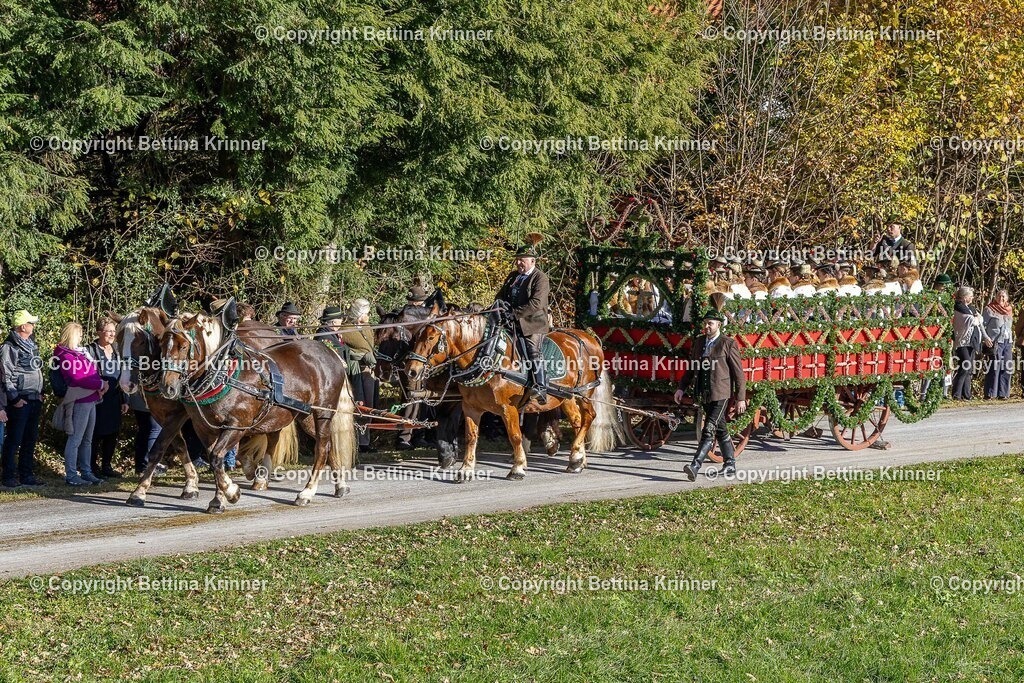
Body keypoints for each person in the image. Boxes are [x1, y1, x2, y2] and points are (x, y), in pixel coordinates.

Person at [674, 309, 746, 480]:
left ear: (719, 324)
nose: (706, 326)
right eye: (705, 323)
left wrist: (740, 398)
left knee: (709, 430)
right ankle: (730, 464)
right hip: (704, 393)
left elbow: (739, 374)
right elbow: (691, 368)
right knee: (721, 429)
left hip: (721, 393)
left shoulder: (727, 343)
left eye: (710, 323)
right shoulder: (699, 342)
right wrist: (681, 388)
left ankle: (695, 465)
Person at [496, 238, 551, 403]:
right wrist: (498, 307)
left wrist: (514, 313)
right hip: (510, 321)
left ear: (532, 261)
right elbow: (500, 295)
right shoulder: (513, 276)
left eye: (522, 259)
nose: (519, 263)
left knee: (533, 350)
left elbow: (536, 303)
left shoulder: (540, 278)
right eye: (517, 259)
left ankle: (540, 387)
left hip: (533, 323)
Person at [53, 323, 106, 485]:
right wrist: (100, 384)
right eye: (79, 334)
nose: (82, 337)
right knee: (75, 439)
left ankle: (86, 471)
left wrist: (100, 382)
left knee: (87, 440)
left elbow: (91, 372)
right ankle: (71, 475)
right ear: (72, 335)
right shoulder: (64, 354)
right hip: (79, 401)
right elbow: (77, 377)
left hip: (90, 399)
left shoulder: (80, 353)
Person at [1, 310, 45, 488]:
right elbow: (6, 376)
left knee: (30, 439)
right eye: (31, 323)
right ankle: (9, 476)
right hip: (20, 400)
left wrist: (40, 391)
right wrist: (14, 399)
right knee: (14, 439)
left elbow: (35, 371)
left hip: (34, 398)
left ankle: (27, 474)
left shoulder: (31, 344)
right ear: (23, 326)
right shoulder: (9, 347)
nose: (33, 326)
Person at [88, 318, 128, 477]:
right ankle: (91, 466)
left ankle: (106, 466)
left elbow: (123, 374)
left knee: (113, 433)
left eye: (114, 331)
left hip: (114, 397)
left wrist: (125, 399)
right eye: (109, 331)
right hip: (97, 398)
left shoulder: (117, 349)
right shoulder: (90, 350)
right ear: (99, 332)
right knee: (96, 433)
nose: (112, 334)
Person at [342, 299, 378, 453]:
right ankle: (356, 441)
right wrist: (361, 355)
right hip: (355, 371)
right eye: (366, 313)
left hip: (369, 370)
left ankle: (365, 440)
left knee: (369, 405)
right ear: (359, 313)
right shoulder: (345, 329)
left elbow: (371, 346)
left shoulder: (367, 327)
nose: (368, 315)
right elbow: (344, 349)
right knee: (359, 404)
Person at [951, 286, 984, 400]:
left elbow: (980, 318)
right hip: (963, 342)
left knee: (968, 369)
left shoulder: (969, 308)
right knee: (965, 367)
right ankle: (956, 394)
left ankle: (966, 394)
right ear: (964, 297)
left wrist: (978, 318)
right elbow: (974, 321)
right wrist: (977, 318)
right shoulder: (959, 309)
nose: (972, 298)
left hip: (971, 342)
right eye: (970, 296)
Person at [982, 289, 1014, 400]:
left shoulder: (1009, 310)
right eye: (999, 296)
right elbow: (982, 325)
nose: (1001, 298)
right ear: (996, 297)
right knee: (994, 367)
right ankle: (990, 393)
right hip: (995, 341)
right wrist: (985, 338)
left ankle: (1003, 393)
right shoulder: (989, 309)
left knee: (1006, 367)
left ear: (1007, 298)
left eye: (1004, 296)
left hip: (1007, 342)